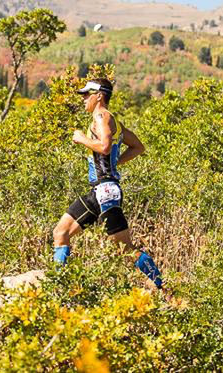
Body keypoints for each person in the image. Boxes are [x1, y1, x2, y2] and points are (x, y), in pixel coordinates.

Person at [52, 78, 163, 290]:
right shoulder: (113, 121)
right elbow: (138, 147)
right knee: (61, 232)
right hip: (101, 190)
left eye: (87, 94)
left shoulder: (102, 116)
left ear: (99, 96)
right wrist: (115, 162)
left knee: (125, 249)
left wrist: (82, 138)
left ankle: (163, 289)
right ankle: (58, 286)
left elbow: (103, 146)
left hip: (106, 191)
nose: (83, 98)